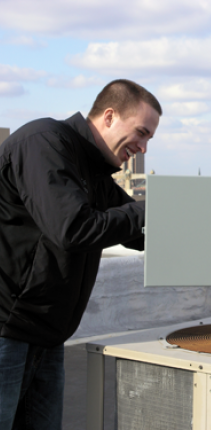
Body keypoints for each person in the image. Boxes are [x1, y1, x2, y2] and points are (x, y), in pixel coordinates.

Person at [0, 79, 161, 429]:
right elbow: (73, 229)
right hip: (7, 329)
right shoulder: (43, 142)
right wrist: (158, 208)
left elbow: (135, 230)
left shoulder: (93, 169)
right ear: (108, 116)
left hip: (47, 334)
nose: (144, 147)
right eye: (142, 132)